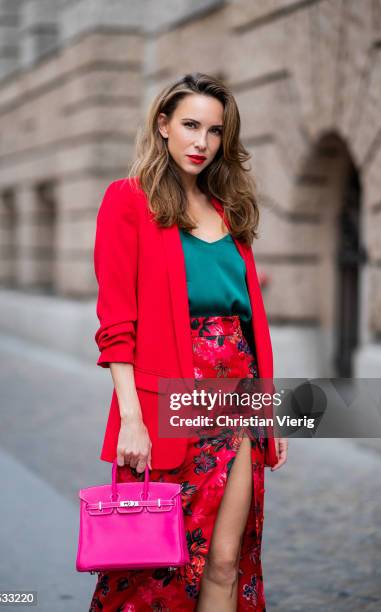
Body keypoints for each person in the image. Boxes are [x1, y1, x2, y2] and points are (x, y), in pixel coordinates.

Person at [89, 72, 288, 612]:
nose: (202, 142)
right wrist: (131, 417)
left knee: (227, 560)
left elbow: (249, 322)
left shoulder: (230, 210)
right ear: (163, 126)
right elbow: (116, 324)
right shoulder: (128, 201)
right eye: (190, 125)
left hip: (238, 403)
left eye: (215, 131)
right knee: (157, 570)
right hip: (166, 406)